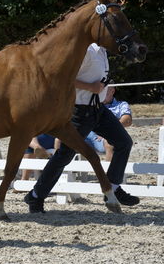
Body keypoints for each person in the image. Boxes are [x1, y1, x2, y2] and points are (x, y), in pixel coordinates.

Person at [24, 43, 139, 213]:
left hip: (98, 110)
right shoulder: (85, 50)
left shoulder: (103, 52)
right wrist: (91, 87)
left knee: (123, 142)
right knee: (64, 155)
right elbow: (62, 77)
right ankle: (35, 195)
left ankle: (113, 187)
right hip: (80, 112)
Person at [85, 85, 133, 161]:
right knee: (62, 138)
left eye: (104, 90)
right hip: (87, 134)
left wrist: (107, 130)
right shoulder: (92, 104)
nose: (100, 92)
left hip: (105, 138)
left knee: (111, 142)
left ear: (112, 91)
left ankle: (108, 172)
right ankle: (60, 171)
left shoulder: (121, 105)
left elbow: (127, 120)